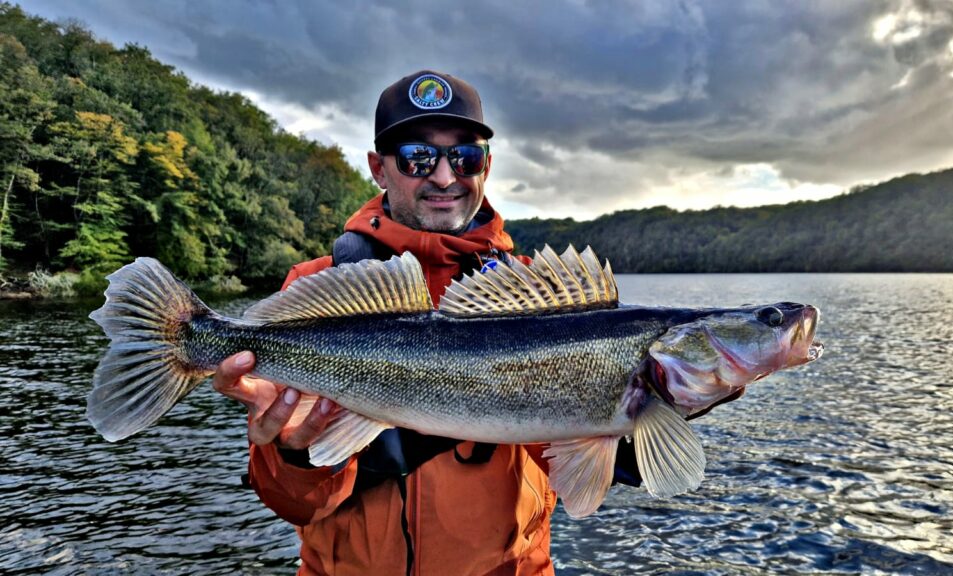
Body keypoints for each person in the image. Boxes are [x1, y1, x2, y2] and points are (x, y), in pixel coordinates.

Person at [212, 70, 740, 575]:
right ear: (378, 167)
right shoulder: (319, 288)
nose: (445, 176)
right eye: (418, 157)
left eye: (465, 156)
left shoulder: (543, 298)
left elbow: (584, 472)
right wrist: (294, 454)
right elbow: (295, 505)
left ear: (486, 164)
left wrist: (660, 412)